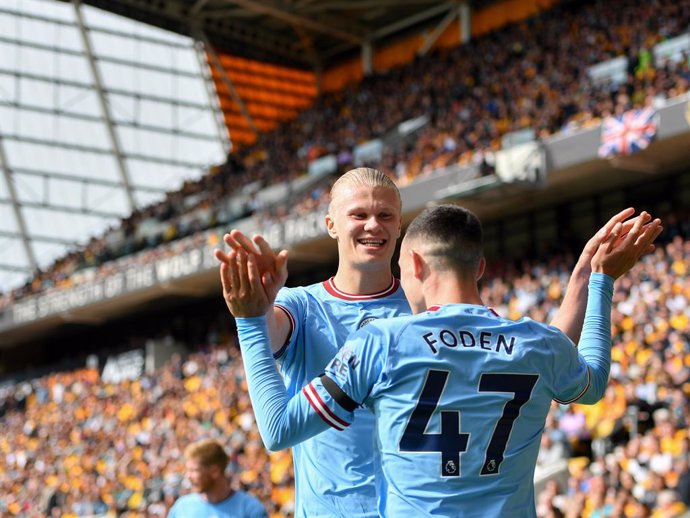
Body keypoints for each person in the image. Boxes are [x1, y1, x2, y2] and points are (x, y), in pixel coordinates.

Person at [215, 167, 641, 517]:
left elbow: (530, 363)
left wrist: (248, 317)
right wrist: (255, 308)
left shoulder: (413, 318)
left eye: (385, 215)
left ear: (403, 235)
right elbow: (542, 357)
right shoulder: (303, 305)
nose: (372, 225)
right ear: (330, 224)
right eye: (358, 214)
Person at [167, 439, 267, 518]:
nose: (188, 476)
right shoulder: (182, 507)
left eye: (194, 470)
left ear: (215, 471)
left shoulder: (250, 509)